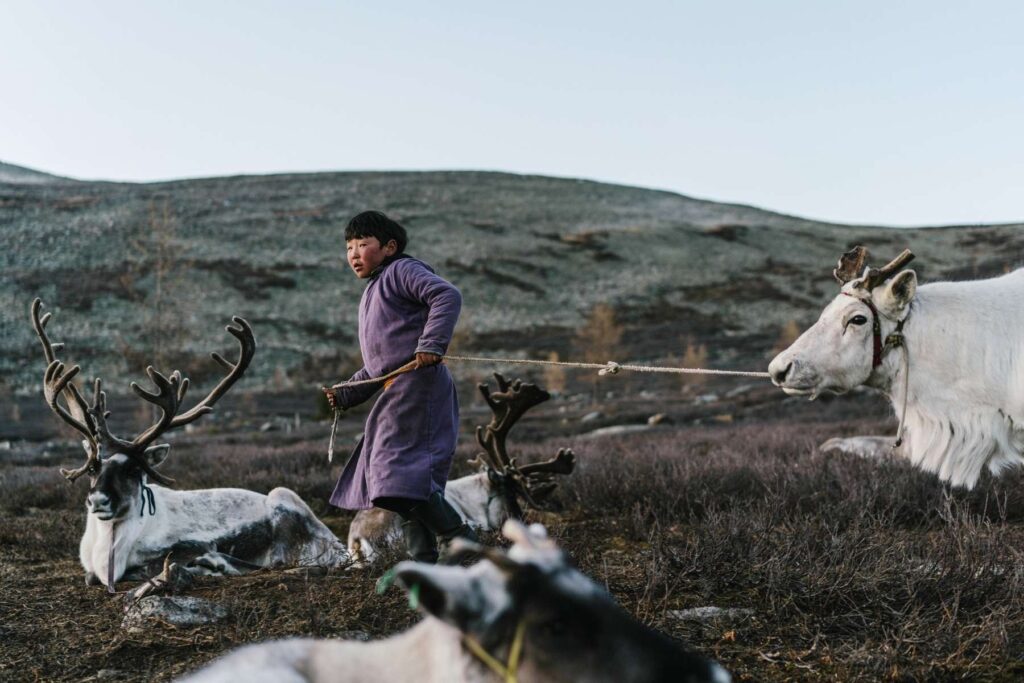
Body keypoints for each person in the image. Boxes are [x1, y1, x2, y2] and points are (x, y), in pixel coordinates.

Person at [324, 210, 477, 563]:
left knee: (397, 475)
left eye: (363, 244)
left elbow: (446, 295)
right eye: (348, 246)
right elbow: (380, 366)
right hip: (398, 391)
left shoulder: (401, 271)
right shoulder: (372, 291)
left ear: (389, 247)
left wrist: (431, 344)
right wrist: (346, 392)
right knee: (400, 486)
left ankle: (468, 546)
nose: (353, 253)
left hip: (419, 388)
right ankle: (424, 566)